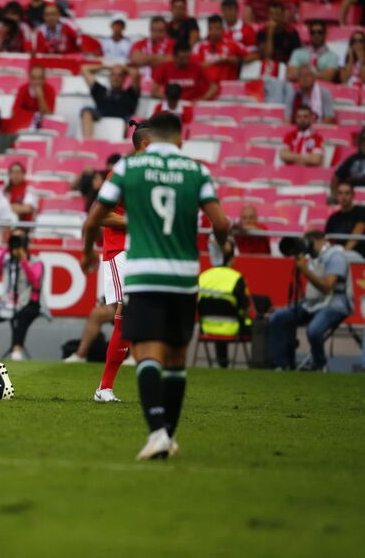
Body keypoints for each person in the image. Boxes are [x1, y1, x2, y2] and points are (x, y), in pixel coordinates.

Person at [81, 112, 230, 460]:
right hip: (160, 264)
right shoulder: (196, 171)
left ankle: (152, 427)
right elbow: (221, 223)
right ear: (176, 139)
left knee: (144, 345)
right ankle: (110, 391)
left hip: (144, 264)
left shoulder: (129, 172)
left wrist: (86, 251)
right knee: (173, 355)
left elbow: (94, 216)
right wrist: (226, 248)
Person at [81, 121, 150, 403]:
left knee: (137, 318)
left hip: (144, 252)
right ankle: (105, 387)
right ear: (146, 145)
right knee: (128, 315)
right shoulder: (119, 175)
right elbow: (98, 216)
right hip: (120, 251)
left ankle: (108, 387)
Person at [268, 230, 350, 371]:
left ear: (322, 240)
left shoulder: (336, 256)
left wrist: (305, 270)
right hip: (311, 304)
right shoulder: (312, 259)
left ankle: (319, 364)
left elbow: (327, 287)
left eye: (311, 243)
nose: (309, 247)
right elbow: (311, 292)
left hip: (334, 304)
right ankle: (282, 365)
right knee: (278, 317)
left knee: (314, 330)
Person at [0, 229, 47, 360]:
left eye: (19, 239)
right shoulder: (8, 260)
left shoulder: (36, 261)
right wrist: (6, 249)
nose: (16, 242)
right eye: (14, 239)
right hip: (7, 304)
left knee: (23, 315)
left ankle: (17, 349)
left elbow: (35, 282)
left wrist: (23, 261)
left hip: (30, 303)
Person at [197, 239, 253, 368]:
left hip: (206, 328)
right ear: (232, 259)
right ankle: (262, 365)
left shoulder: (203, 276)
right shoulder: (236, 277)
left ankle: (222, 363)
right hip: (233, 328)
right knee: (262, 326)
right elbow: (244, 308)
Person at [80, 64, 140, 139]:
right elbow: (85, 69)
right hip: (101, 115)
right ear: (109, 77)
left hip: (125, 119)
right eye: (113, 75)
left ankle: (125, 145)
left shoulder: (131, 93)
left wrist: (120, 68)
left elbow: (135, 73)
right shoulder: (101, 91)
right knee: (86, 111)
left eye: (119, 75)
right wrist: (107, 67)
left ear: (124, 78)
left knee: (134, 120)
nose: (116, 78)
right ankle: (88, 142)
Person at [152, 41, 217, 101]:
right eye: (182, 59)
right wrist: (169, 99)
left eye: (187, 58)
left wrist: (202, 99)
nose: (185, 61)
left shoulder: (197, 67)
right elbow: (154, 92)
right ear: (174, 56)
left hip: (191, 106)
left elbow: (214, 87)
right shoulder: (165, 68)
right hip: (172, 106)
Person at [192, 14, 246, 84]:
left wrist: (231, 59)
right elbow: (193, 66)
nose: (214, 32)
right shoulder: (199, 46)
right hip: (206, 87)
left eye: (217, 28)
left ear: (222, 29)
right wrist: (217, 61)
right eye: (211, 29)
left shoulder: (233, 44)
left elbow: (253, 55)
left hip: (228, 87)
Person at [326, 181, 365, 259]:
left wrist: (343, 253)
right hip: (338, 254)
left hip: (358, 254)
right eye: (340, 193)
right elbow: (328, 240)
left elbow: (357, 233)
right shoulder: (333, 218)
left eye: (347, 193)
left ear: (353, 195)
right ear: (337, 196)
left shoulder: (361, 211)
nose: (344, 196)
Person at [256, 1, 300, 65]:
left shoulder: (292, 32)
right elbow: (267, 56)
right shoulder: (262, 32)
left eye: (277, 15)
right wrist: (270, 33)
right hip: (268, 66)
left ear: (283, 16)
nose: (274, 18)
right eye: (272, 15)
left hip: (286, 66)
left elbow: (296, 56)